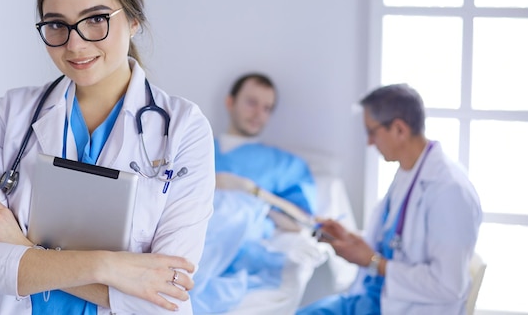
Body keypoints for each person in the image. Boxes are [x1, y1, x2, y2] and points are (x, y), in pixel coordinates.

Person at [0, 0, 215, 314]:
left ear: (133, 20)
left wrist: (22, 248)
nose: (75, 44)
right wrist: (106, 266)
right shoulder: (10, 113)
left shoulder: (184, 128)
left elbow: (165, 296)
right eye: (57, 24)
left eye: (96, 19)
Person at [297, 83, 482, 314]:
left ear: (399, 130)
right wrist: (350, 239)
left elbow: (448, 286)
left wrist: (374, 262)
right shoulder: (409, 171)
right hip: (377, 299)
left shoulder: (449, 191)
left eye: (372, 132)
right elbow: (397, 242)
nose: (369, 142)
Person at [190, 73, 325, 314]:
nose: (259, 114)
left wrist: (250, 190)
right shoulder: (195, 147)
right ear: (230, 102)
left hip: (236, 239)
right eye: (252, 103)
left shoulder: (285, 165)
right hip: (192, 225)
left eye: (267, 108)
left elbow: (303, 223)